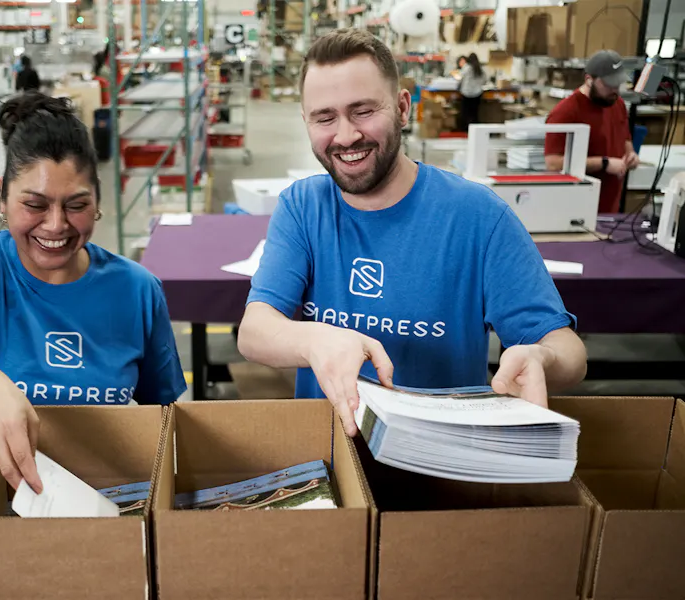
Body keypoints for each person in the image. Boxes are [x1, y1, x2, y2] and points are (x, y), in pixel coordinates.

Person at [237, 29, 587, 435]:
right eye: (325, 117)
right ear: (306, 121)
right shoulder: (302, 207)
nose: (346, 135)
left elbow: (569, 351)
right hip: (336, 451)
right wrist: (313, 340)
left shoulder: (478, 216)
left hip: (446, 457)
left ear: (403, 107)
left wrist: (541, 359)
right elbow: (255, 331)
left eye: (363, 111)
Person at [0, 92, 186, 492]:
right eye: (35, 205)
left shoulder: (136, 291)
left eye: (76, 205)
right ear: (3, 198)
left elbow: (164, 420)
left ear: (96, 202)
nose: (56, 225)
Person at [544, 50, 639, 213]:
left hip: (610, 207)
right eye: (609, 84)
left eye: (618, 84)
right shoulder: (566, 111)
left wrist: (631, 157)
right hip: (577, 208)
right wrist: (604, 163)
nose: (615, 90)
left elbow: (625, 142)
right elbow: (553, 162)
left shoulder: (617, 104)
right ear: (589, 80)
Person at [458, 52, 487, 131]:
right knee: (474, 113)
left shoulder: (466, 67)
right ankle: (475, 130)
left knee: (465, 113)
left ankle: (464, 130)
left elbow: (460, 78)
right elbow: (484, 81)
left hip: (466, 93)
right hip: (477, 94)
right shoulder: (480, 69)